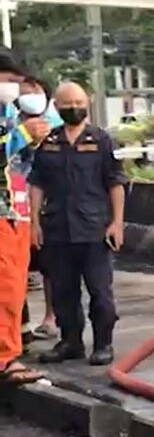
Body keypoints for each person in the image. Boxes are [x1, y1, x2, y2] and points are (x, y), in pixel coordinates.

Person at [29, 81, 128, 366]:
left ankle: (103, 344)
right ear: (56, 107)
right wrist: (34, 222)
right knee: (63, 291)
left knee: (100, 292)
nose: (74, 108)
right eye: (67, 104)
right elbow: (37, 184)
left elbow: (116, 183)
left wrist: (117, 223)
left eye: (78, 103)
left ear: (88, 103)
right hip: (57, 229)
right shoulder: (48, 141)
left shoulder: (102, 140)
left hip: (95, 229)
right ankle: (70, 342)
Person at [0, 47, 53, 384]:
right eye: (9, 81)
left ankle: (9, 353)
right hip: (2, 211)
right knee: (5, 286)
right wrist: (23, 136)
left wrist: (31, 142)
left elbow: (17, 163)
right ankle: (4, 358)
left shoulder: (9, 111)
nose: (14, 89)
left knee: (15, 287)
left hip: (15, 209)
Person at [15, 75, 62, 344]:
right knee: (15, 269)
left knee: (49, 265)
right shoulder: (10, 122)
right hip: (14, 205)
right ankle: (20, 325)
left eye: (34, 90)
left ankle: (51, 317)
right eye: (24, 90)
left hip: (46, 205)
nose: (28, 94)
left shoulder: (55, 125)